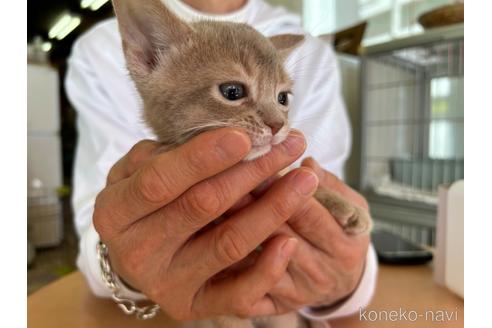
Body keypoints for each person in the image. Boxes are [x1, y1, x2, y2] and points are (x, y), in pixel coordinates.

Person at [65, 0, 377, 325]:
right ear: (151, 56)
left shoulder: (311, 53)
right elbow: (97, 237)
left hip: (291, 303)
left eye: (282, 98)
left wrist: (328, 213)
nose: (276, 122)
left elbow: (314, 214)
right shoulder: (99, 50)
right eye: (233, 91)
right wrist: (120, 263)